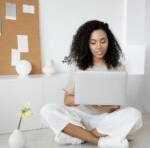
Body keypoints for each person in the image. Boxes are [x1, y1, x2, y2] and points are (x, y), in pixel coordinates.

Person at [40, 20, 143, 148]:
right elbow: (67, 100)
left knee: (135, 115)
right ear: (86, 44)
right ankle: (100, 141)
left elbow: (116, 105)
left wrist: (102, 108)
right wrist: (88, 100)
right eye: (93, 42)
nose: (99, 47)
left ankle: (78, 135)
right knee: (47, 110)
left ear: (109, 42)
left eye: (103, 41)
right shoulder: (78, 66)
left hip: (105, 118)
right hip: (79, 116)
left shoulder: (118, 67)